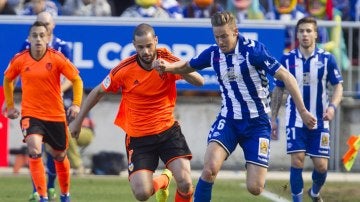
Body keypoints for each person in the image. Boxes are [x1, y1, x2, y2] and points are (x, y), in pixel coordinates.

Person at [153, 11, 316, 201]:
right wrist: (168, 67)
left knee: (255, 188)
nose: (220, 41)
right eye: (217, 37)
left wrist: (303, 111)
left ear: (235, 32)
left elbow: (287, 76)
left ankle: (253, 161)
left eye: (224, 36)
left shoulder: (253, 51)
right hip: (229, 120)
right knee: (209, 170)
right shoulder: (214, 54)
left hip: (258, 124)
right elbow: (188, 65)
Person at [69, 23, 204, 202]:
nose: (146, 51)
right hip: (139, 138)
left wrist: (171, 68)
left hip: (168, 132)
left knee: (186, 183)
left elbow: (199, 81)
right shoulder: (124, 69)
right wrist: (78, 121)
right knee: (142, 194)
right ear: (134, 45)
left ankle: (170, 180)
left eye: (149, 46)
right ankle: (163, 180)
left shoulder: (167, 59)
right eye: (141, 47)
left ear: (155, 41)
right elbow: (98, 91)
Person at [3, 21, 83, 202]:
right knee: (34, 148)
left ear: (48, 38)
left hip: (55, 115)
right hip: (31, 114)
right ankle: (42, 196)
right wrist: (10, 105)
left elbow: (77, 80)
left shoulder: (56, 58)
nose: (38, 39)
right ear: (29, 38)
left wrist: (76, 104)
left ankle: (65, 195)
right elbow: (8, 79)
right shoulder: (20, 59)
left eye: (42, 35)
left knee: (60, 155)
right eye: (35, 35)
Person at [270, 16, 343, 202]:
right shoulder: (287, 60)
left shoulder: (327, 59)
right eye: (301, 31)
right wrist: (273, 118)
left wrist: (333, 107)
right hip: (295, 119)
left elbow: (339, 86)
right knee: (297, 160)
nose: (305, 34)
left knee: (321, 167)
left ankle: (315, 192)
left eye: (309, 30)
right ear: (297, 34)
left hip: (320, 122)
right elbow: (278, 89)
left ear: (316, 35)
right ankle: (297, 200)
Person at [18, 11, 73, 202]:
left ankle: (51, 187)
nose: (43, 27)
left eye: (46, 25)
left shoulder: (62, 47)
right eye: (40, 23)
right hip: (34, 107)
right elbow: (20, 71)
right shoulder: (28, 45)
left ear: (53, 26)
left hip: (56, 104)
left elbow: (72, 77)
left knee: (56, 152)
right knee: (35, 148)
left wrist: (59, 91)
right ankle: (38, 191)